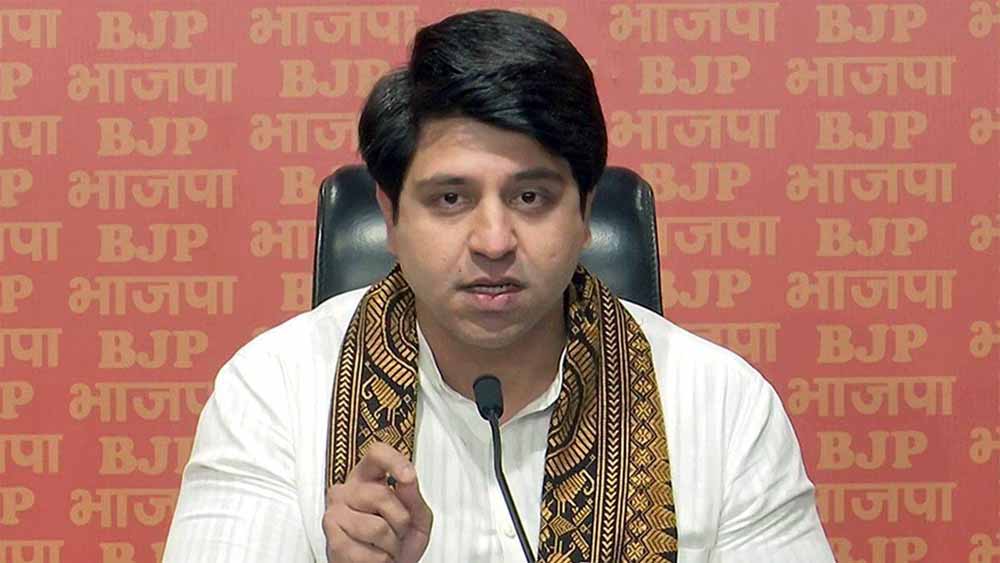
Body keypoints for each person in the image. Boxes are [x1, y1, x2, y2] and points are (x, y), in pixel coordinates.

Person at [163, 9, 834, 563]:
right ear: (390, 217)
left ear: (586, 213)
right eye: (451, 198)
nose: (493, 240)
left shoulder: (723, 407)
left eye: (531, 196)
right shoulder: (274, 393)